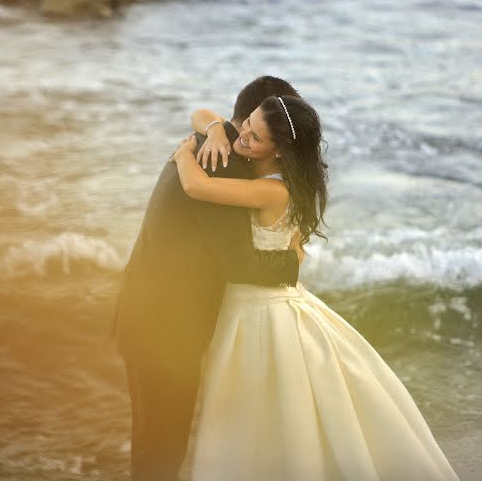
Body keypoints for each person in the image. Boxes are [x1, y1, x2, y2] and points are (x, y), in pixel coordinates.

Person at [169, 95, 459, 481]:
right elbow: (202, 112)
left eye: (255, 137)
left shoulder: (275, 191)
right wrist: (217, 130)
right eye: (247, 124)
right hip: (256, 303)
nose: (245, 137)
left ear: (279, 151)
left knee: (259, 416)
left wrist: (184, 154)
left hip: (260, 313)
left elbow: (196, 188)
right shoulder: (260, 154)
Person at [111, 76, 302, 481]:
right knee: (164, 443)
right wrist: (293, 261)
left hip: (148, 310)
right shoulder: (222, 163)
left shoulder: (211, 141)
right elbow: (240, 264)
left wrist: (213, 126)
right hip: (165, 327)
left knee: (154, 438)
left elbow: (204, 116)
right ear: (249, 118)